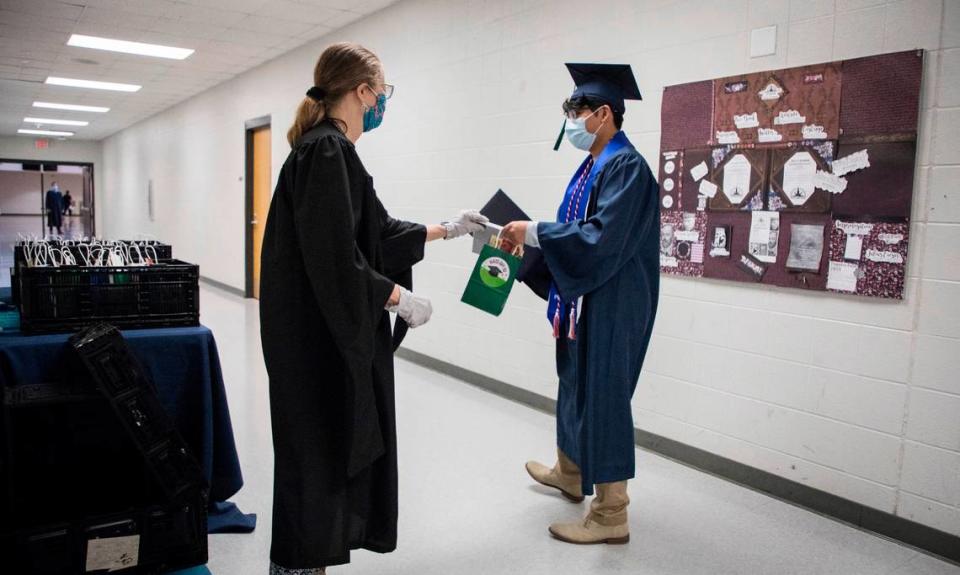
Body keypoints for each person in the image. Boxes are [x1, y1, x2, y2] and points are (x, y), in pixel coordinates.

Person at [258, 42, 486, 575]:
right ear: (362, 91)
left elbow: (375, 233)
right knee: (314, 459)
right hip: (313, 346)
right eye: (382, 91)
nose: (384, 101)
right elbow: (336, 258)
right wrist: (396, 297)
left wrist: (447, 230)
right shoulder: (326, 152)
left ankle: (305, 565)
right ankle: (295, 568)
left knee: (325, 455)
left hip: (317, 339)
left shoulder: (333, 152)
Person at [501, 63, 660, 545]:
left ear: (604, 114)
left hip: (613, 299)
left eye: (577, 110)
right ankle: (571, 472)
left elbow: (599, 238)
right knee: (573, 379)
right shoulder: (594, 164)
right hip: (586, 297)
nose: (571, 119)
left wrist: (533, 232)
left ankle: (612, 514)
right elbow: (574, 233)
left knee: (605, 396)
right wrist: (529, 249)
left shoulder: (626, 167)